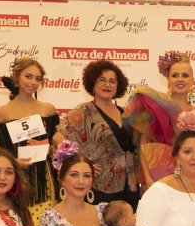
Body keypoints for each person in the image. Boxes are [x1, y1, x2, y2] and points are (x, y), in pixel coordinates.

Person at [54, 60, 140, 208]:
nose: (107, 84)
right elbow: (58, 138)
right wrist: (82, 163)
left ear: (118, 86)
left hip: (129, 182)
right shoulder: (84, 111)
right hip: (100, 184)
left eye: (112, 81)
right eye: (102, 80)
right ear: (92, 83)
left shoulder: (126, 112)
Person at [0, 57, 58, 226]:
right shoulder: (2, 112)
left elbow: (58, 142)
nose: (33, 82)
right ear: (17, 78)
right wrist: (13, 162)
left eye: (38, 78)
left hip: (44, 179)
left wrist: (59, 151)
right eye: (28, 76)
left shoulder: (47, 109)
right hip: (15, 180)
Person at [125, 50, 195, 188]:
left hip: (189, 178)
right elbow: (143, 147)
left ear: (192, 81)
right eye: (175, 75)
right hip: (158, 178)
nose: (180, 79)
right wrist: (147, 177)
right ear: (168, 80)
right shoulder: (155, 108)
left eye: (185, 75)